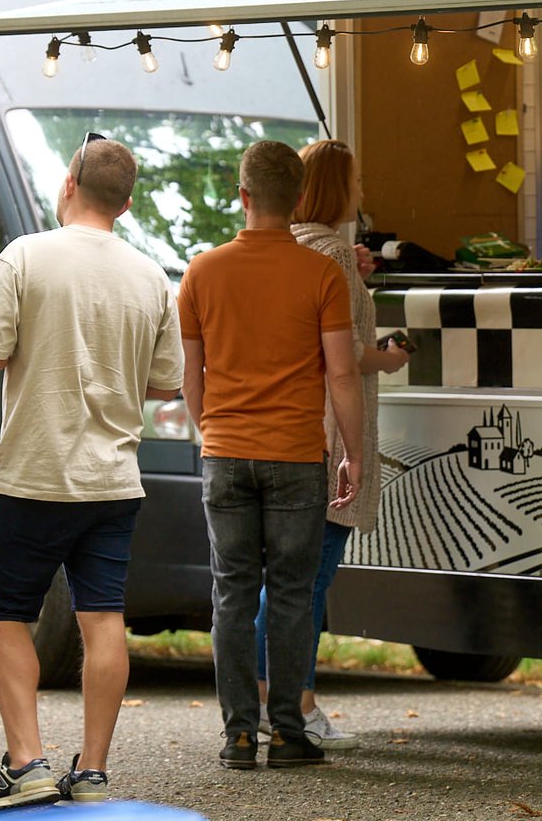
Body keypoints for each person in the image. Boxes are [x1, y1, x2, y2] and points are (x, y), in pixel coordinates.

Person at [0, 134, 184, 811]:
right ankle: (93, 771)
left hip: (31, 475)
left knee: (5, 615)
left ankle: (26, 762)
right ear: (127, 204)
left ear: (68, 184)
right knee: (102, 618)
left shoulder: (25, 256)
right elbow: (166, 382)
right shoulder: (150, 276)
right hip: (113, 481)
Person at [177, 140, 365, 770]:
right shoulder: (322, 274)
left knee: (231, 594)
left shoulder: (202, 272)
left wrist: (211, 431)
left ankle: (237, 735)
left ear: (244, 196)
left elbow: (191, 375)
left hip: (225, 453)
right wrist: (354, 453)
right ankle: (286, 733)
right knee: (290, 594)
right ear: (298, 198)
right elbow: (342, 374)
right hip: (297, 456)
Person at [251, 140, 407, 749]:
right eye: (356, 180)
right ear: (336, 189)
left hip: (283, 429)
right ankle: (296, 702)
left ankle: (265, 698)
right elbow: (346, 354)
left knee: (279, 579)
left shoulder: (290, 247)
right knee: (308, 582)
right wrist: (388, 357)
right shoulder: (333, 253)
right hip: (331, 433)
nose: (362, 191)